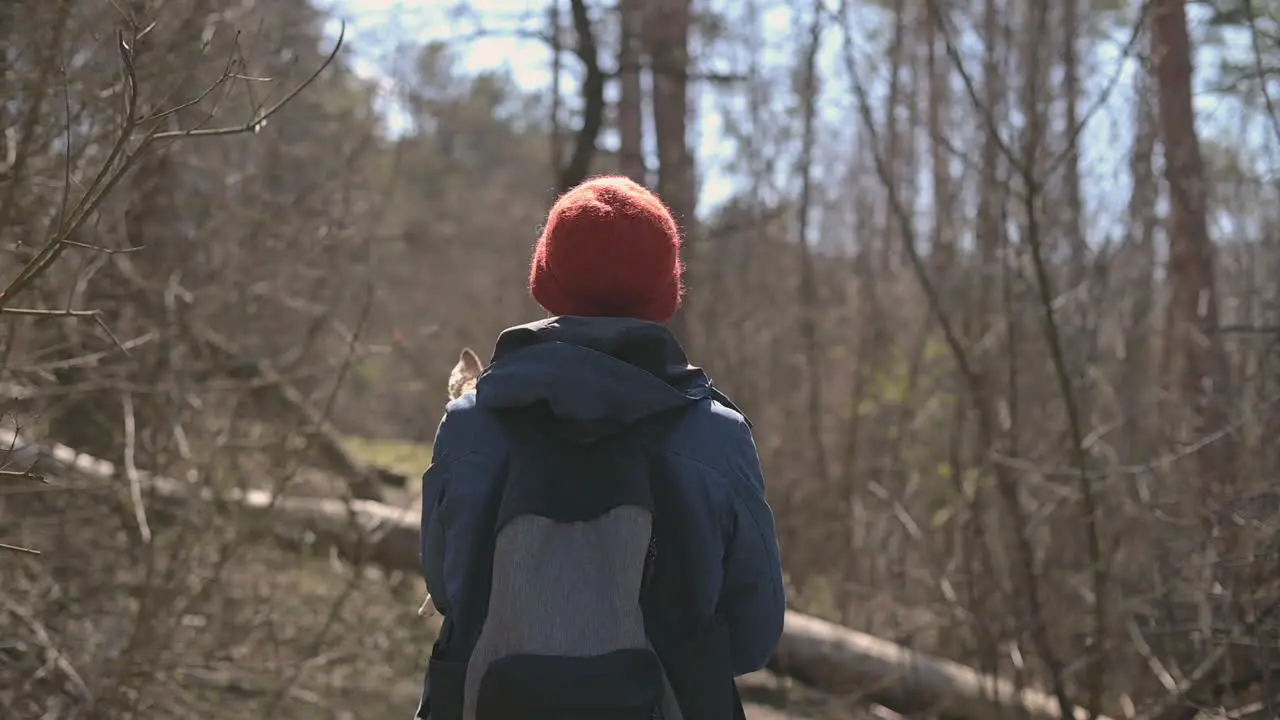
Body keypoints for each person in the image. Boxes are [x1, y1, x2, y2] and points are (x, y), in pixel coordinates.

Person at [415, 176, 785, 720]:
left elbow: (448, 590)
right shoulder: (717, 437)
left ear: (545, 279)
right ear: (665, 295)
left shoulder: (470, 425)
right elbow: (753, 636)